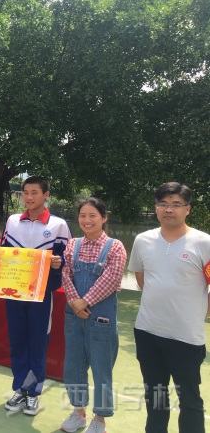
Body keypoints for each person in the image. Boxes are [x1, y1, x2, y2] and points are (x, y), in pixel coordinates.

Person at [128, 182, 210, 433]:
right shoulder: (143, 240)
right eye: (163, 204)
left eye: (176, 204)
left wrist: (197, 313)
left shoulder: (204, 243)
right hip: (147, 331)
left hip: (186, 337)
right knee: (155, 397)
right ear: (156, 208)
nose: (169, 210)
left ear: (188, 209)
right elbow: (142, 279)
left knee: (190, 400)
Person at [2, 176, 71, 415]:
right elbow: (4, 253)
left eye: (34, 193)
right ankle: (20, 388)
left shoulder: (58, 225)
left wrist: (59, 262)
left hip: (41, 295)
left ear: (46, 195)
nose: (29, 197)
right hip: (13, 291)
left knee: (38, 342)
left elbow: (68, 258)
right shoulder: (12, 221)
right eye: (26, 193)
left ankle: (33, 393)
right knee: (18, 341)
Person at [60, 198, 126, 433]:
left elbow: (112, 279)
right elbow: (66, 274)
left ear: (104, 218)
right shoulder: (73, 244)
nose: (87, 220)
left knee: (101, 369)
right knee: (73, 366)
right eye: (82, 216)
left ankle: (100, 419)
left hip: (101, 319)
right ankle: (78, 413)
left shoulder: (115, 247)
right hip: (74, 315)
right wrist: (74, 302)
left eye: (92, 215)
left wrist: (84, 301)